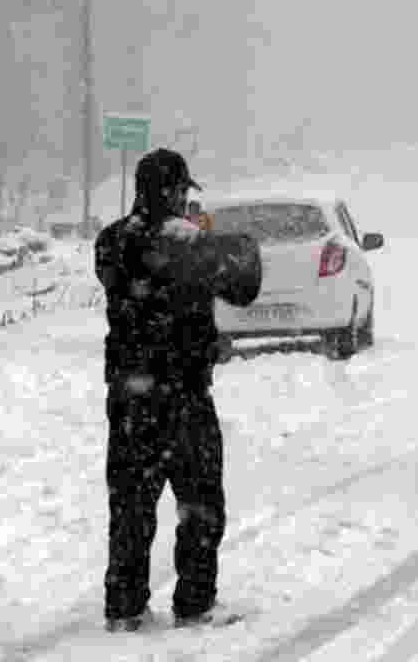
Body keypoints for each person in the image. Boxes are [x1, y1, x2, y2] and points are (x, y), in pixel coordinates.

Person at [94, 148, 262, 632]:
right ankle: (194, 603)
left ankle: (124, 607)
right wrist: (209, 239)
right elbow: (245, 284)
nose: (188, 198)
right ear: (173, 192)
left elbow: (127, 266)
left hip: (129, 398)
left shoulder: (110, 241)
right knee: (200, 505)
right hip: (184, 396)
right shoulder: (192, 246)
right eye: (184, 191)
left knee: (130, 505)